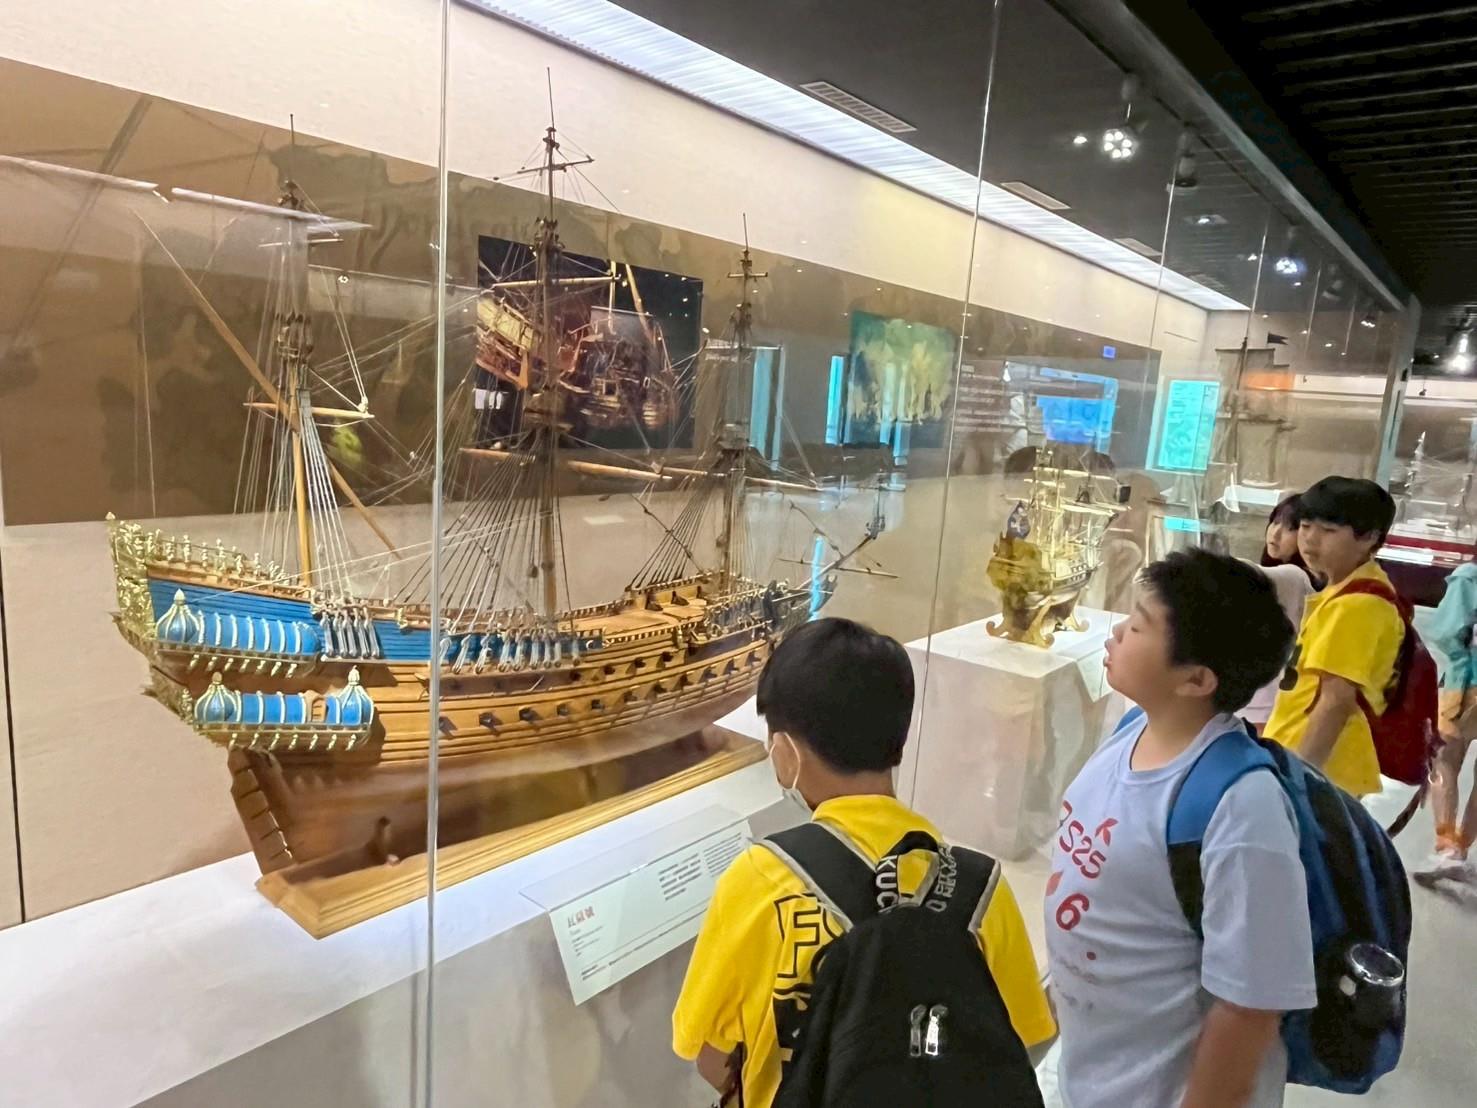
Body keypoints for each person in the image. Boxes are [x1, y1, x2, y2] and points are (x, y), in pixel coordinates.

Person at [673, 618, 1055, 1107]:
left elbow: (709, 1054)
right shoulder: (980, 889)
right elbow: (1018, 1039)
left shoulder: (761, 879)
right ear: (898, 739)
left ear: (785, 754)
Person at [1045, 549, 1314, 1108]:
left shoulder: (1243, 808)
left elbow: (1250, 1007)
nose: (1118, 631)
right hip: (1098, 1080)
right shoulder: (1131, 730)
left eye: (1140, 624)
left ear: (1196, 679)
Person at [1263, 477, 1402, 797]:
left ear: (1369, 538)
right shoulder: (1343, 591)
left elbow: (1335, 702)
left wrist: (1298, 780)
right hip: (1307, 762)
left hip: (1321, 771)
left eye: (1328, 530)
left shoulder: (1358, 604)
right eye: (1306, 526)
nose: (1310, 540)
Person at [1420, 556, 1477, 878]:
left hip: (1466, 684)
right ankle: (1463, 846)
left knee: (1445, 760)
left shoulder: (1469, 577)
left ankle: (1446, 845)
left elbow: (1446, 631)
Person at [1244, 495, 1317, 728]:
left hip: (1266, 708)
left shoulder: (1296, 577)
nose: (1275, 533)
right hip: (1263, 705)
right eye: (1275, 522)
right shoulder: (1289, 579)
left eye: (1290, 528)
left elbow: (1239, 571)